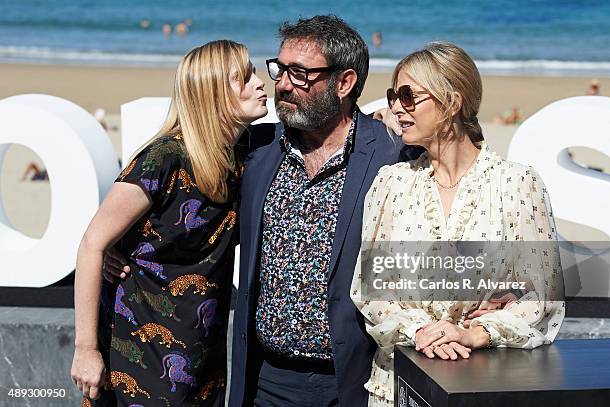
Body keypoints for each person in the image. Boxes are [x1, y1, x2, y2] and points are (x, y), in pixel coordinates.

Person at [351, 42, 566, 406]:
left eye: (408, 96)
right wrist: (422, 330)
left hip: (484, 387)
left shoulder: (516, 185)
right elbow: (371, 291)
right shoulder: (391, 185)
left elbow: (542, 298)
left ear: (451, 102)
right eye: (393, 95)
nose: (395, 108)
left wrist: (476, 333)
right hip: (397, 388)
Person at [228, 15, 423, 407]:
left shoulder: (395, 157)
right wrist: (125, 250)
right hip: (266, 380)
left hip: (355, 382)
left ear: (345, 83)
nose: (281, 84)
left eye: (300, 73)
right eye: (280, 69)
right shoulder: (256, 150)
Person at [71, 40, 268, 406]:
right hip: (139, 351)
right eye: (243, 77)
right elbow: (92, 244)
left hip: (204, 357)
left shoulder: (244, 155)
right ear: (212, 93)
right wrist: (84, 349)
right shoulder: (163, 159)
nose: (259, 83)